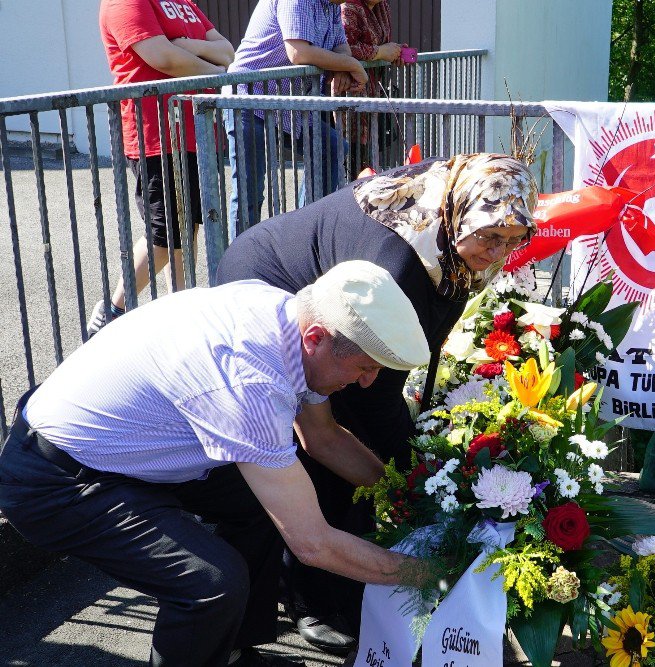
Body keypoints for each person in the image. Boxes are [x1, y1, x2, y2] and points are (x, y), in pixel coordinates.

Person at [0, 260, 431, 667]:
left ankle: (229, 652)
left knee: (268, 503)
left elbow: (322, 438)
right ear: (316, 338)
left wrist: (411, 499)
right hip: (56, 479)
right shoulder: (250, 379)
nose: (368, 381)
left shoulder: (284, 314)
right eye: (364, 367)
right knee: (210, 585)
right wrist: (430, 575)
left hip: (125, 448)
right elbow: (312, 544)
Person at [216, 153, 538, 653]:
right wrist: (416, 475)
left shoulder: (455, 227)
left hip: (345, 300)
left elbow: (427, 333)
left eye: (514, 241)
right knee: (315, 451)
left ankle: (335, 586)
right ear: (462, 216)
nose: (499, 252)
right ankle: (311, 601)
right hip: (273, 282)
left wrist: (413, 469)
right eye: (491, 237)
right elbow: (377, 395)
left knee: (349, 447)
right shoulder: (401, 260)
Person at [88, 0, 235, 337]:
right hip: (155, 133)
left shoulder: (182, 2)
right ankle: (113, 309)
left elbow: (226, 49)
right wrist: (214, 71)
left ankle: (182, 312)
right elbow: (162, 58)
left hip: (194, 133)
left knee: (189, 227)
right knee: (165, 234)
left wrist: (184, 47)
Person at [226, 0, 369, 240]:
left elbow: (341, 47)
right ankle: (239, 268)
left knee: (332, 147)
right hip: (250, 99)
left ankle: (302, 239)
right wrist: (351, 64)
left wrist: (344, 66)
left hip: (291, 103)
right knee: (249, 193)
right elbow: (299, 52)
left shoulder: (332, 6)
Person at [340, 0, 405, 169]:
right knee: (340, 157)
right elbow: (344, 48)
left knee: (362, 158)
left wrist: (394, 52)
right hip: (346, 89)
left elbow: (380, 43)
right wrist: (380, 52)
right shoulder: (348, 6)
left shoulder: (381, 6)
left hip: (371, 91)